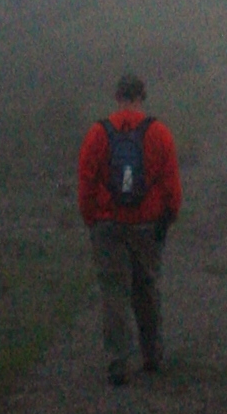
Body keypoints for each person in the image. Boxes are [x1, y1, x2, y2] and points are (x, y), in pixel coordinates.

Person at [76, 69, 182, 383]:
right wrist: (168, 217)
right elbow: (171, 185)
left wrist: (92, 219)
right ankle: (152, 355)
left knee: (114, 294)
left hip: (108, 225)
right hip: (147, 225)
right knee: (146, 290)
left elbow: (86, 182)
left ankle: (118, 363)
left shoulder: (98, 133)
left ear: (117, 97)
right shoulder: (159, 132)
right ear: (141, 97)